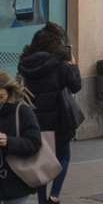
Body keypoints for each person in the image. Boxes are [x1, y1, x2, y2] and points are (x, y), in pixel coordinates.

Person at [17, 24, 80, 204]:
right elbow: (76, 86)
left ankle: (42, 200)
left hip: (33, 121)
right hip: (58, 121)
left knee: (41, 162)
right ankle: (55, 195)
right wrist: (73, 66)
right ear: (54, 44)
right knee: (63, 157)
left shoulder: (25, 64)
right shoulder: (60, 63)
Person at [0, 70, 43, 204]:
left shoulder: (22, 111)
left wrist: (8, 141)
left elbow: (35, 143)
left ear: (9, 92)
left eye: (0, 97)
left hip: (16, 182)